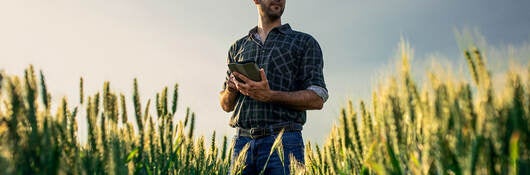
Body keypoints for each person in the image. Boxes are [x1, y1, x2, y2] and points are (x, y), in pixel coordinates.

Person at [219, 0, 328, 174]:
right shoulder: (237, 48)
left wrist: (269, 95)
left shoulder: (304, 42)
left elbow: (317, 98)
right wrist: (231, 89)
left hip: (285, 142)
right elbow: (226, 105)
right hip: (242, 143)